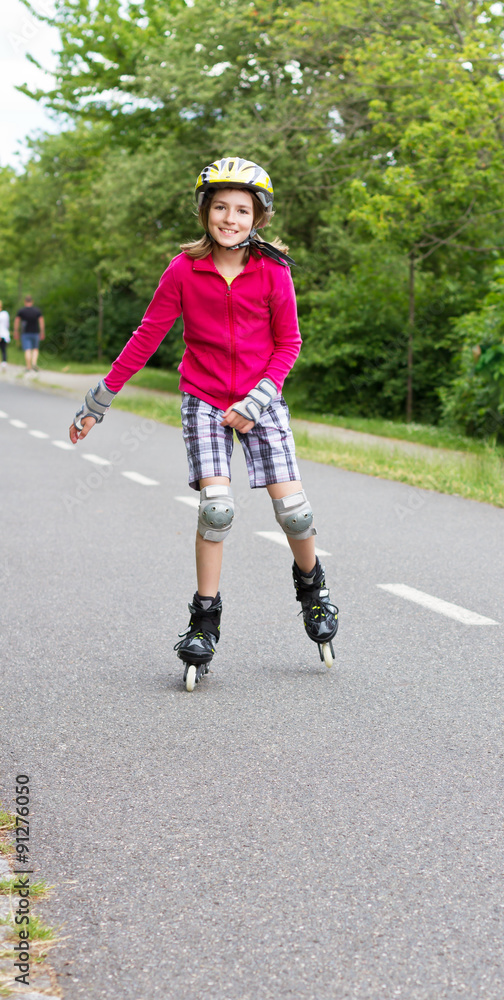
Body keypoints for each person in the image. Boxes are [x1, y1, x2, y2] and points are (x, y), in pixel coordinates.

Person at [68, 156, 338, 689]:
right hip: (204, 399)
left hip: (262, 400)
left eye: (242, 209)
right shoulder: (183, 270)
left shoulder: (273, 271)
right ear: (205, 213)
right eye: (220, 207)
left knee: (296, 514)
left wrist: (258, 400)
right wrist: (98, 402)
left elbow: (289, 344)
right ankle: (204, 620)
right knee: (216, 510)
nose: (230, 218)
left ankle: (313, 588)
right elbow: (146, 337)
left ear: (258, 216)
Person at [14, 296, 45, 374]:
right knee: (35, 349)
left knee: (27, 350)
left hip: (25, 333)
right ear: (32, 301)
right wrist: (42, 332)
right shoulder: (37, 311)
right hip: (35, 332)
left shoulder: (21, 311)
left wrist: (16, 331)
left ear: (25, 301)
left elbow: (17, 321)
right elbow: (41, 322)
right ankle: (34, 363)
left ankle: (28, 366)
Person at [0, 301, 9, 370]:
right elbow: (7, 325)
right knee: (4, 349)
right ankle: (4, 363)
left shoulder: (4, 314)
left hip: (2, 334)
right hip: (4, 334)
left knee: (3, 349)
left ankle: (4, 363)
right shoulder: (5, 314)